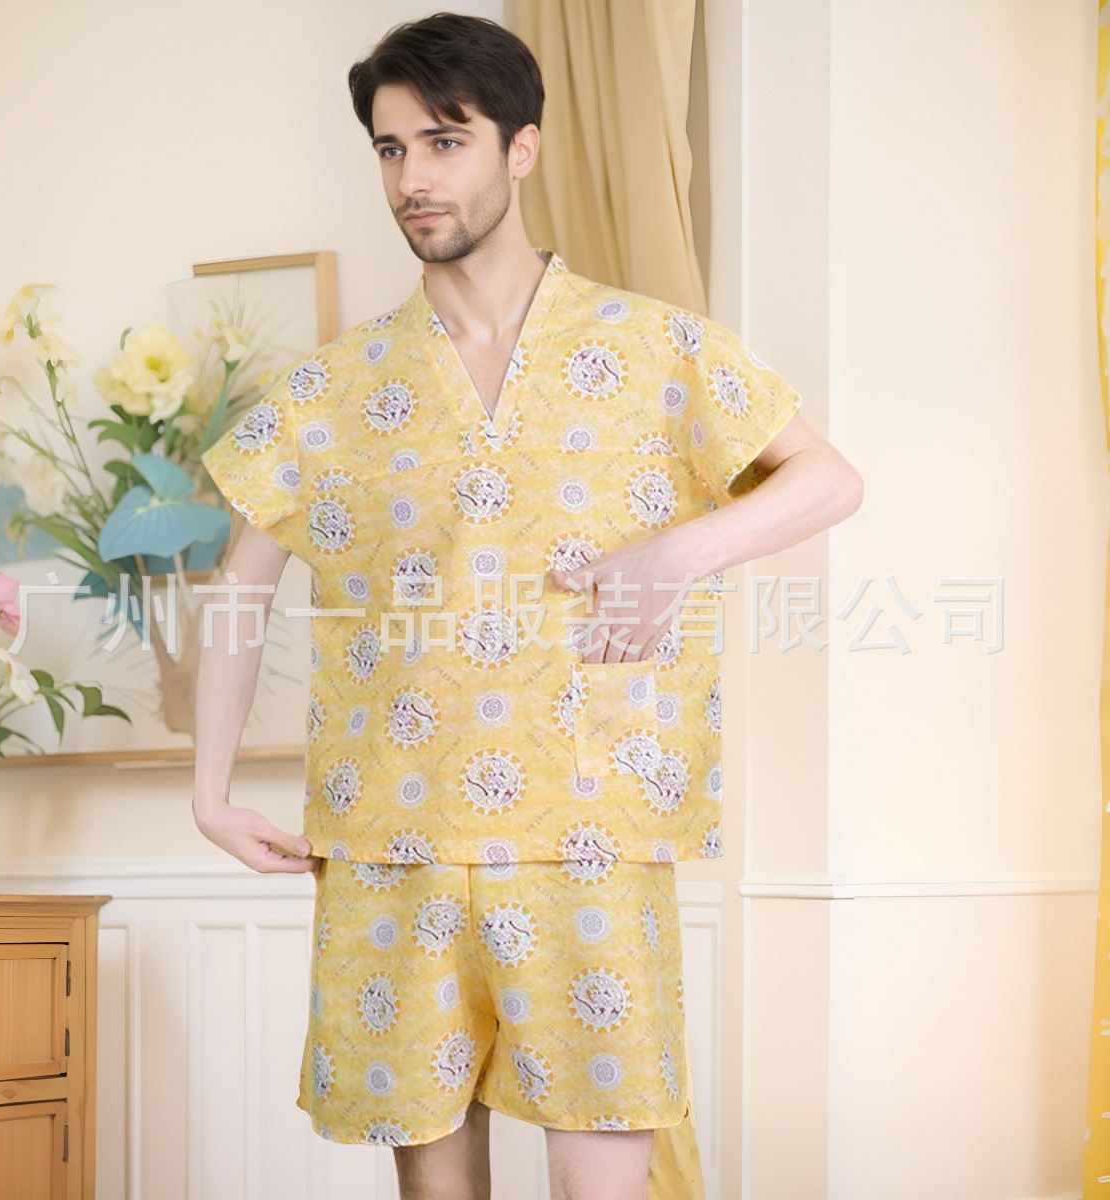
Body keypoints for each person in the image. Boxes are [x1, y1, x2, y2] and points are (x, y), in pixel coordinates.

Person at [194, 13, 863, 1200]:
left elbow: (829, 479)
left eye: (444, 141)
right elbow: (241, 588)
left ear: (522, 148)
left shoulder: (654, 347)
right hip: (393, 840)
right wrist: (209, 791)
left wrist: (680, 554)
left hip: (590, 833)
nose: (414, 176)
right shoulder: (330, 389)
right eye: (391, 148)